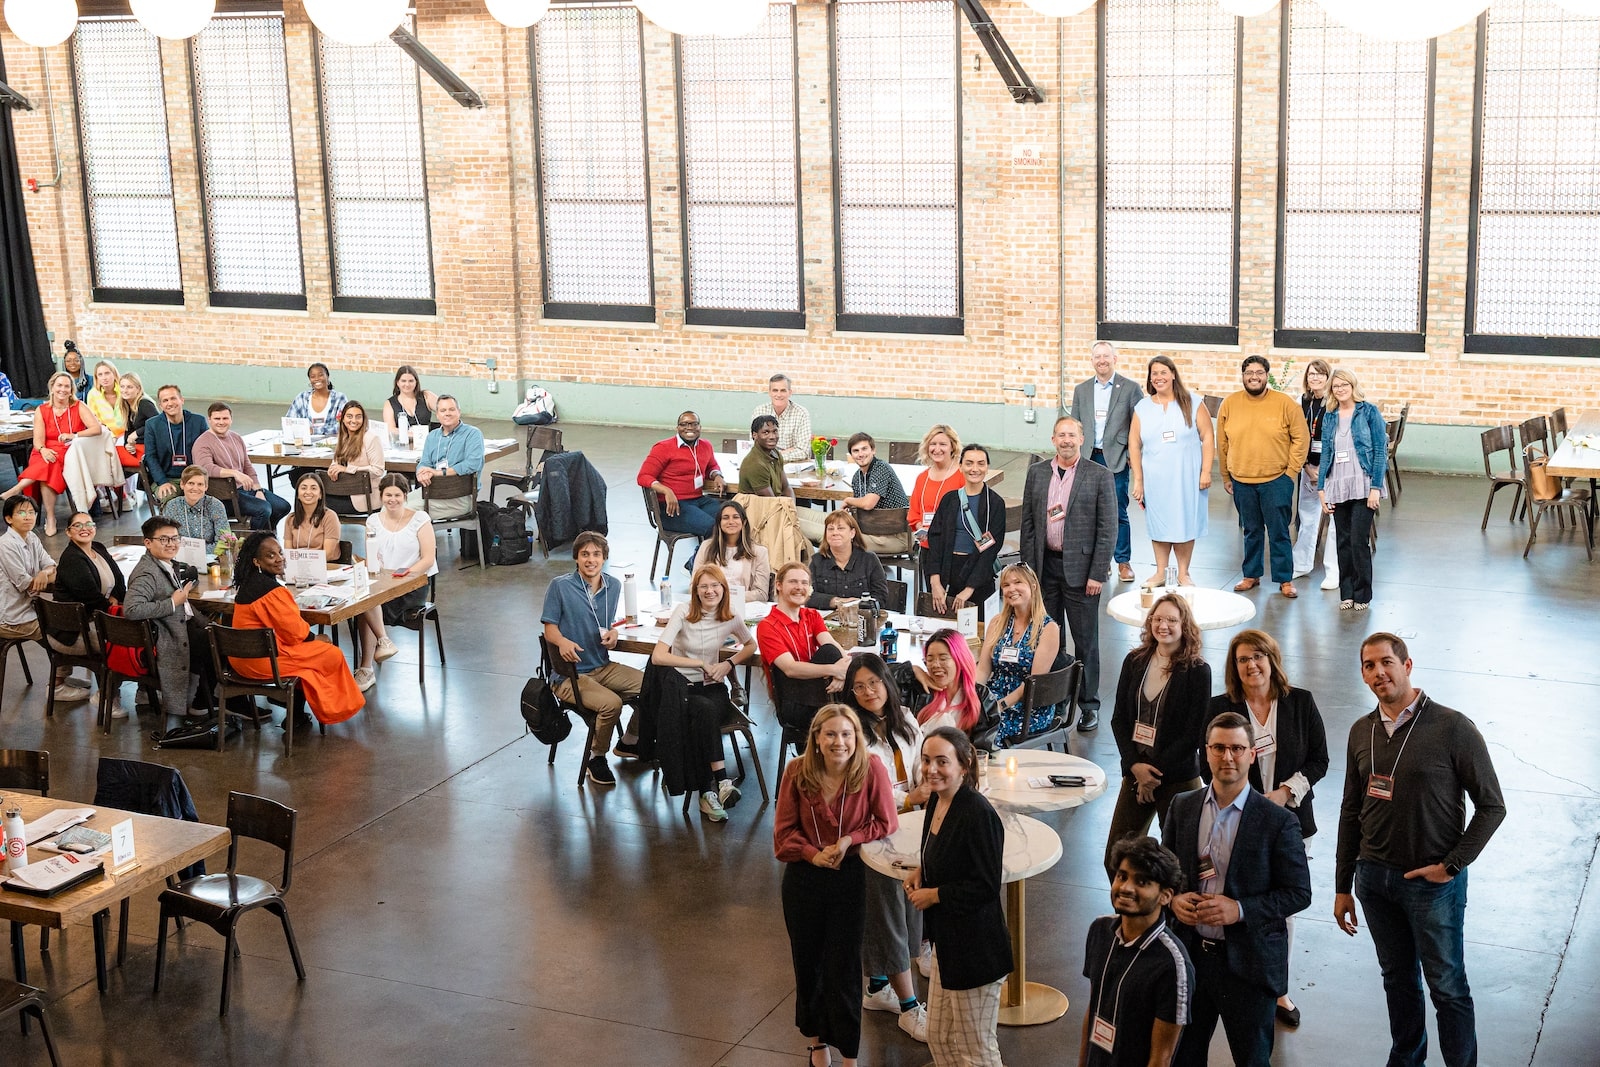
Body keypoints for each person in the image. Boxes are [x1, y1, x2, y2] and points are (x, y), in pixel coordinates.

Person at [1335, 633, 1506, 1067]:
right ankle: (1407, 1059)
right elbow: (1350, 811)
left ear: (1407, 666)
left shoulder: (1452, 727)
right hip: (1374, 880)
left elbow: (1492, 806)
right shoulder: (1361, 731)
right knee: (1398, 981)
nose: (1379, 673)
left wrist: (1451, 866)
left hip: (1431, 885)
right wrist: (1343, 886)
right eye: (1369, 665)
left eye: (1387, 663)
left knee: (1447, 987)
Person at [1163, 712, 1312, 1067]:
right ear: (1206, 751)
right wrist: (1173, 899)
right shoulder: (1182, 807)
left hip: (1248, 965)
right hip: (1190, 958)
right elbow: (1166, 875)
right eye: (1218, 748)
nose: (1227, 757)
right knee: (1184, 1057)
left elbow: (1298, 893)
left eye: (1236, 748)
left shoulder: (1279, 821)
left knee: (1252, 1059)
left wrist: (1239, 909)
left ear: (1251, 755)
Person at [1205, 628, 1329, 1027]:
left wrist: (1285, 793)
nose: (1251, 665)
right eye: (1242, 659)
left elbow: (1319, 760)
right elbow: (1205, 760)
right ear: (1234, 667)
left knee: (1282, 910)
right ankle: (1230, 975)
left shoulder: (1300, 703)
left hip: (1291, 822)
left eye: (1258, 656)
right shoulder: (1220, 707)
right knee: (1233, 898)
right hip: (1235, 822)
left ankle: (1278, 988)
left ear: (1272, 659)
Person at [773, 704, 898, 1067]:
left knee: (844, 969)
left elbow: (885, 821)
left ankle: (849, 1056)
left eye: (846, 734)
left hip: (851, 877)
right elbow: (783, 836)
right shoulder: (796, 771)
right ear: (816, 738)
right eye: (830, 734)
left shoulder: (871, 768)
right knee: (807, 963)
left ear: (856, 738)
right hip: (804, 878)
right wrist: (813, 854)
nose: (838, 742)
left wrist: (849, 840)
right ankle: (816, 1044)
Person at [904, 727, 1012, 1066]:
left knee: (977, 1050)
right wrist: (923, 870)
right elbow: (940, 851)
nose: (931, 769)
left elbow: (985, 886)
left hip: (976, 952)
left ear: (964, 766)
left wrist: (934, 894)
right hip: (947, 946)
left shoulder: (978, 814)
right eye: (926, 760)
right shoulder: (937, 799)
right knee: (938, 1036)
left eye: (941, 761)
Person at [842, 654, 930, 1043]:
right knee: (888, 915)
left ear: (886, 683)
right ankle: (910, 1007)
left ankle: (878, 986)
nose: (867, 692)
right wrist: (910, 798)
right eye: (858, 686)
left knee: (902, 908)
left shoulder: (907, 720)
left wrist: (919, 793)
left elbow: (922, 767)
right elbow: (860, 795)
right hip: (872, 832)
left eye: (873, 683)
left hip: (911, 826)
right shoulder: (850, 733)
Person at [1020, 415, 1116, 732]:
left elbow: (1107, 530)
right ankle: (1056, 700)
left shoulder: (1099, 476)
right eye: (1060, 434)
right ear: (1052, 440)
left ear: (1081, 439)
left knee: (1085, 641)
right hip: (1044, 568)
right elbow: (1029, 526)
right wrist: (1027, 575)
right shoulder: (1036, 474)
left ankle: (1089, 705)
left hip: (1081, 571)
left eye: (1071, 435)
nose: (1066, 440)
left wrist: (1097, 574)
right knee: (1050, 638)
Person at [1106, 592, 1212, 875]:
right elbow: (1119, 720)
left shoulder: (1198, 671)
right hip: (1136, 771)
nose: (1163, 625)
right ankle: (1135, 915)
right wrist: (1135, 767)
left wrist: (1152, 776)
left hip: (1178, 776)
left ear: (1184, 625)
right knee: (1116, 857)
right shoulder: (1134, 661)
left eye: (1172, 620)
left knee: (1181, 862)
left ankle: (1173, 918)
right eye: (1158, 618)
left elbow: (1194, 734)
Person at [649, 563, 758, 822]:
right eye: (703, 586)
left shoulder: (730, 616)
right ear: (696, 591)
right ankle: (720, 782)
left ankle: (709, 792)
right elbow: (658, 656)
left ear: (723, 589)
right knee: (702, 712)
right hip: (681, 688)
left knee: (706, 712)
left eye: (715, 585)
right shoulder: (683, 612)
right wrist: (699, 663)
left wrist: (728, 664)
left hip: (713, 687)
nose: (710, 591)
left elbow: (751, 644)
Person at [230, 532, 364, 728]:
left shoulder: (249, 584)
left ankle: (295, 715)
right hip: (263, 662)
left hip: (240, 659)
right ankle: (332, 710)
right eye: (271, 555)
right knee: (330, 653)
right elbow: (294, 633)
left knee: (308, 665)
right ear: (256, 561)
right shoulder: (271, 590)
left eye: (280, 553)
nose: (279, 558)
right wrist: (315, 638)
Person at [540, 531, 643, 786]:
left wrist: (615, 632)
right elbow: (549, 629)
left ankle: (629, 741)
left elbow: (606, 624)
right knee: (612, 704)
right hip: (570, 676)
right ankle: (596, 757)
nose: (591, 560)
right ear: (576, 558)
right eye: (585, 554)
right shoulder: (560, 586)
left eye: (596, 554)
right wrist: (562, 642)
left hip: (602, 666)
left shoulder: (614, 586)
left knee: (654, 686)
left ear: (604, 558)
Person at [1080, 836, 1193, 1067]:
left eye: (1142, 882)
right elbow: (1094, 1009)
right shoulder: (1099, 931)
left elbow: (1161, 1058)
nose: (1126, 888)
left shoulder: (1173, 965)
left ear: (1166, 895)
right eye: (1122, 876)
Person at [1215, 357, 1310, 599]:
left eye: (1259, 372)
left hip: (1276, 479)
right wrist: (1226, 474)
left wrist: (1290, 473)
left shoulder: (1284, 403)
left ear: (1267, 375)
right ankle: (1251, 575)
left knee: (1279, 531)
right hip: (1241, 479)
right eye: (1249, 372)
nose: (1253, 376)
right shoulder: (1230, 403)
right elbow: (1222, 442)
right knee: (1251, 530)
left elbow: (1301, 439)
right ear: (1242, 375)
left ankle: (1284, 579)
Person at [1128, 356, 1213, 588]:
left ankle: (1184, 573)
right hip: (1156, 478)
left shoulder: (1193, 403)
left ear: (1173, 374)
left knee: (1185, 523)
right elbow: (1134, 444)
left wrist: (1206, 471)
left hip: (1187, 477)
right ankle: (1160, 572)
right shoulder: (1142, 408)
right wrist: (1138, 480)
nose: (1159, 377)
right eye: (1154, 373)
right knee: (1159, 523)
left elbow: (1207, 437)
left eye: (1163, 372)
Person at [122, 514, 214, 723]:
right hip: (170, 636)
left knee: (220, 635)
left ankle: (210, 699)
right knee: (221, 648)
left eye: (175, 538)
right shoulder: (147, 573)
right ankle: (204, 702)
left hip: (184, 626)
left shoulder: (167, 564)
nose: (171, 544)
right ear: (147, 542)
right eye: (164, 539)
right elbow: (132, 609)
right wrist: (173, 602)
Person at [0, 496, 86, 702]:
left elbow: (51, 565)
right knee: (59, 630)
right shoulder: (5, 545)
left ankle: (63, 677)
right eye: (22, 513)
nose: (28, 517)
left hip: (28, 608)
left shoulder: (31, 537)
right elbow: (26, 584)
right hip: (11, 617)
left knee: (66, 621)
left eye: (31, 512)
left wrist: (43, 573)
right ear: (9, 518)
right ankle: (56, 686)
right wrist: (41, 576)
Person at [1072, 341, 1142, 583]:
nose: (1102, 360)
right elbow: (1075, 425)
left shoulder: (1131, 388)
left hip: (1116, 457)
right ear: (1092, 361)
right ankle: (1099, 563)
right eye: (1097, 357)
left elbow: (1138, 425)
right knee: (1088, 512)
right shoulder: (1081, 390)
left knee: (1117, 510)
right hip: (1089, 458)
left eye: (1106, 356)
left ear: (1115, 359)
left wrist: (1134, 455)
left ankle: (1123, 561)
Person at [1318, 368, 1387, 611]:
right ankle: (1346, 592)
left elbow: (1380, 451)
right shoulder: (1329, 415)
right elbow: (1326, 452)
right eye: (1336, 386)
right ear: (1331, 390)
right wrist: (1321, 489)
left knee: (1359, 540)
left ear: (1352, 385)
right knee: (1342, 541)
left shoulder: (1369, 412)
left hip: (1364, 483)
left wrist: (1376, 488)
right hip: (1338, 483)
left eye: (1344, 384)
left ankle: (1363, 594)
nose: (1340, 389)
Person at [3, 371, 103, 535]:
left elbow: (96, 429)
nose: (62, 389)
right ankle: (50, 517)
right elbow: (37, 441)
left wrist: (75, 435)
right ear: (52, 387)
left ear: (71, 390)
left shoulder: (79, 406)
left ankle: (25, 496)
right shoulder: (41, 410)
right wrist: (43, 450)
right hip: (45, 450)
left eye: (66, 386)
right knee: (48, 463)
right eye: (59, 385)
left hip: (70, 449)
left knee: (50, 464)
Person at [975, 563, 1064, 745]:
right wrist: (972, 696)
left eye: (1017, 583)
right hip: (994, 696)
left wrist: (1002, 705)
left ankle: (985, 770)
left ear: (1032, 586)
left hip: (1028, 705)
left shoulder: (1048, 629)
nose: (1011, 589)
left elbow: (1034, 681)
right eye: (1006, 585)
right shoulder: (997, 623)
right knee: (956, 720)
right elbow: (983, 669)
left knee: (986, 731)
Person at [758, 562, 850, 732]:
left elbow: (833, 646)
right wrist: (834, 670)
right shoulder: (767, 626)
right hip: (794, 702)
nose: (799, 587)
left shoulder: (812, 615)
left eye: (804, 583)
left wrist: (842, 675)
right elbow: (790, 669)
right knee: (856, 706)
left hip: (819, 692)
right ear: (778, 585)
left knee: (831, 651)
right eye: (793, 582)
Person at [358, 474, 429, 691]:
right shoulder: (372, 521)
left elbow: (428, 559)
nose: (392, 499)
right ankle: (376, 654)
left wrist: (403, 574)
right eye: (388, 494)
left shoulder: (420, 519)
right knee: (363, 600)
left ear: (405, 496)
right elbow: (371, 557)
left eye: (397, 495)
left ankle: (367, 665)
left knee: (368, 603)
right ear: (380, 496)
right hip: (382, 583)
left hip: (411, 584)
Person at [50, 511, 124, 709]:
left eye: (89, 524)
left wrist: (117, 600)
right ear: (68, 532)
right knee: (120, 639)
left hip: (96, 618)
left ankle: (141, 690)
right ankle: (108, 696)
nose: (85, 529)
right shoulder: (72, 559)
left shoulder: (98, 548)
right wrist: (112, 607)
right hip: (72, 631)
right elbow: (90, 598)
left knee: (137, 631)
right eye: (78, 526)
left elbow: (119, 579)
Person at [925, 443, 1005, 616]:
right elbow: (935, 540)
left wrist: (969, 590)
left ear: (987, 467)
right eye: (969, 463)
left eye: (980, 463)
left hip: (979, 576)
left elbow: (991, 550)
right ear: (960, 466)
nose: (974, 469)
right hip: (948, 573)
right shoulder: (949, 500)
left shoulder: (995, 504)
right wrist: (935, 582)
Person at [193, 402, 291, 532]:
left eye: (225, 418)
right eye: (217, 419)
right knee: (263, 509)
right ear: (209, 420)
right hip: (224, 495)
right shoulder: (203, 442)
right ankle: (251, 542)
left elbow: (248, 466)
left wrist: (258, 490)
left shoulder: (236, 437)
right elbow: (205, 468)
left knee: (282, 506)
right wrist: (234, 473)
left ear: (231, 419)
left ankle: (267, 535)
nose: (221, 422)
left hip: (245, 489)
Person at [637, 410, 725, 539]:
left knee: (733, 519)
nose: (689, 428)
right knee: (712, 527)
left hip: (698, 501)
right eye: (684, 424)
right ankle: (700, 559)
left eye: (694, 424)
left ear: (700, 427)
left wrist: (717, 475)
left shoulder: (706, 446)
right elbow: (643, 476)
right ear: (677, 428)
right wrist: (666, 490)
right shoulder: (663, 447)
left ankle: (724, 558)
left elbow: (712, 466)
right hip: (671, 508)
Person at [912, 628, 1001, 752]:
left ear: (959, 659)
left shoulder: (982, 697)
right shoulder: (919, 690)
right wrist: (912, 669)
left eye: (943, 658)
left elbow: (983, 751)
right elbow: (881, 674)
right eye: (930, 659)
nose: (935, 665)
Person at [1291, 360, 1338, 590]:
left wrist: (1325, 470)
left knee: (1336, 521)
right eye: (1311, 374)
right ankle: (1301, 564)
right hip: (1308, 467)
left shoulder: (1335, 403)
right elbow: (1294, 437)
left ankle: (1333, 571)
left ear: (1328, 377)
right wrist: (1307, 468)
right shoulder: (1302, 402)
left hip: (1333, 469)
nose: (1315, 378)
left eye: (1320, 374)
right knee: (1307, 517)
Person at [413, 395, 485, 521]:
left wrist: (439, 473)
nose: (447, 413)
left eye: (451, 409)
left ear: (459, 412)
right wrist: (422, 473)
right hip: (432, 491)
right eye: (443, 410)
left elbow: (472, 464)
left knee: (401, 512)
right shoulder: (432, 436)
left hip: (460, 497)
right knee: (391, 505)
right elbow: (424, 462)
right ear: (437, 415)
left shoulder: (473, 434)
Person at [693, 500, 771, 604]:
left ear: (744, 522)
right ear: (719, 523)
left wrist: (724, 596)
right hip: (710, 605)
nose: (731, 521)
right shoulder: (706, 547)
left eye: (735, 517)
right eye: (725, 518)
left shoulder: (760, 552)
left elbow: (761, 594)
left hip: (743, 608)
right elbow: (693, 586)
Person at [142, 385, 210, 505]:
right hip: (166, 479)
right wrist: (162, 482)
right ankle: (170, 524)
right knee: (169, 497)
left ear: (181, 400)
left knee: (212, 496)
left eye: (173, 398)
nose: (170, 403)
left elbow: (207, 451)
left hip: (194, 477)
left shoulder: (198, 421)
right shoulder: (152, 425)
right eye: (165, 400)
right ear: (160, 405)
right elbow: (150, 456)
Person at [808, 510, 888, 610]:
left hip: (861, 618)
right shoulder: (817, 560)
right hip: (828, 621)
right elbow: (808, 596)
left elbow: (881, 597)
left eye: (840, 528)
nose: (835, 533)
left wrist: (855, 606)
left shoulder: (869, 560)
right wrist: (836, 602)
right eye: (830, 529)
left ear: (852, 533)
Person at [906, 424, 961, 549]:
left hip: (953, 547)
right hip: (928, 546)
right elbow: (913, 513)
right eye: (933, 444)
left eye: (943, 444)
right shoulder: (922, 478)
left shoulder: (962, 476)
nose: (937, 449)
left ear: (952, 446)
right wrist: (921, 529)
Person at [326, 400, 386, 513]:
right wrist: (332, 469)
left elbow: (378, 470)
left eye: (358, 417)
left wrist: (347, 469)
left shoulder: (371, 439)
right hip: (343, 491)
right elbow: (336, 462)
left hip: (363, 498)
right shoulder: (343, 437)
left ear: (363, 419)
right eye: (349, 416)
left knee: (316, 501)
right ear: (342, 419)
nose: (354, 420)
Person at [161, 465, 230, 548]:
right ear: (182, 485)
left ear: (206, 487)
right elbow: (167, 539)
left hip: (211, 557)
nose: (195, 488)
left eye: (200, 484)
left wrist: (199, 552)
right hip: (179, 555)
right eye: (191, 483)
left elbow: (224, 542)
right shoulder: (172, 506)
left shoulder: (216, 506)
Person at [282, 473, 343, 562]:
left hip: (325, 566)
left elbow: (328, 553)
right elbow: (288, 552)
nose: (308, 492)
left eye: (313, 488)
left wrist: (307, 564)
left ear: (320, 495)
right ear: (298, 494)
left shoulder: (330, 516)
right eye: (303, 488)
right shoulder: (290, 518)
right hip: (298, 567)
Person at [753, 373, 812, 463]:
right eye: (775, 390)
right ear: (769, 392)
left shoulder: (801, 413)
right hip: (765, 466)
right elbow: (755, 446)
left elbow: (803, 451)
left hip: (793, 467)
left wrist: (775, 455)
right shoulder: (759, 412)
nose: (779, 394)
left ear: (790, 392)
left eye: (783, 390)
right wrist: (790, 450)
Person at [115, 371, 159, 481]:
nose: (125, 390)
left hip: (150, 450)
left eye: (129, 387)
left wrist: (136, 433)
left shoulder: (144, 403)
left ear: (138, 389)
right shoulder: (126, 404)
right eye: (122, 386)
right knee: (109, 457)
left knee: (111, 457)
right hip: (137, 448)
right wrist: (127, 445)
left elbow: (158, 423)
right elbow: (127, 430)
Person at [284, 362, 347, 436]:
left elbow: (344, 425)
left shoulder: (339, 398)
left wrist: (314, 430)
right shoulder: (302, 398)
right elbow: (289, 423)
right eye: (313, 376)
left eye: (321, 375)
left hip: (332, 445)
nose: (317, 379)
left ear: (327, 377)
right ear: (310, 380)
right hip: (306, 444)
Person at [739, 415, 792, 498]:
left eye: (775, 431)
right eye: (766, 432)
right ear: (754, 435)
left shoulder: (775, 454)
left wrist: (792, 508)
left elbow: (786, 488)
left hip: (777, 503)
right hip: (759, 508)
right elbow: (770, 502)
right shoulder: (755, 464)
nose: (772, 436)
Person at [384, 364, 437, 437]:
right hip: (403, 443)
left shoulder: (426, 396)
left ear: (416, 382)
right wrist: (413, 435)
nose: (407, 384)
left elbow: (444, 408)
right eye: (403, 381)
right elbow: (390, 429)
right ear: (397, 383)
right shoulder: (389, 403)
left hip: (427, 441)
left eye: (411, 381)